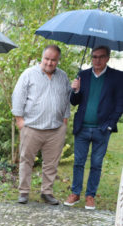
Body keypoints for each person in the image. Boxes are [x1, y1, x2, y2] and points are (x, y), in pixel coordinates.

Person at [64, 45, 123, 210]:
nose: (97, 60)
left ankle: (90, 196)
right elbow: (74, 101)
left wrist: (111, 125)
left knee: (96, 163)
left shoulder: (118, 77)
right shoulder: (83, 75)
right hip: (82, 127)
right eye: (94, 56)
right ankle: (75, 193)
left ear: (107, 58)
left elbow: (120, 104)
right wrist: (74, 90)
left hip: (102, 129)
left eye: (101, 56)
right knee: (78, 162)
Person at [12, 45, 72, 205]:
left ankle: (47, 192)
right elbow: (18, 96)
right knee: (26, 160)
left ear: (58, 60)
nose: (50, 63)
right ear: (42, 58)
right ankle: (24, 192)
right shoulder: (29, 74)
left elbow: (67, 99)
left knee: (51, 163)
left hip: (56, 129)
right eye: (47, 58)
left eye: (53, 60)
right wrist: (19, 120)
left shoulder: (63, 77)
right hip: (32, 127)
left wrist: (65, 120)